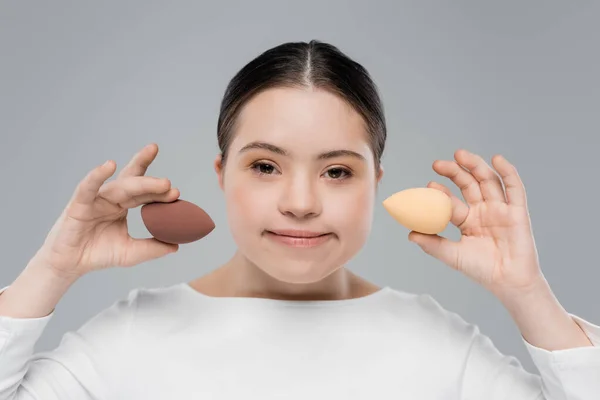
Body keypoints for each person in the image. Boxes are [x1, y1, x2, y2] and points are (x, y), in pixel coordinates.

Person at [0, 40, 597, 399]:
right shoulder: (128, 338)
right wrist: (50, 271)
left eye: (337, 171)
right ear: (221, 172)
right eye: (265, 166)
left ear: (377, 183)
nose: (302, 201)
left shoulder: (438, 344)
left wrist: (528, 295)